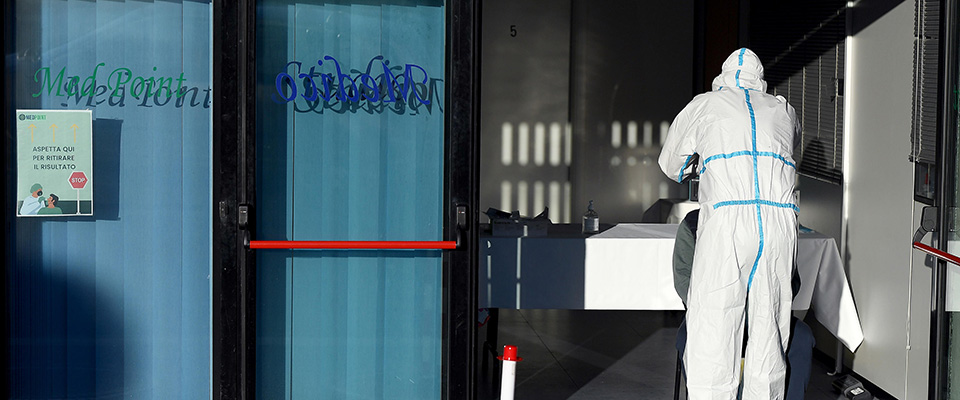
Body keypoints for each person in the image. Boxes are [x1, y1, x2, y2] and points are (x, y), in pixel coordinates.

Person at [659, 48, 800, 399]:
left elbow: (670, 164)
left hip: (728, 223)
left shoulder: (705, 105)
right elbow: (788, 150)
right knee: (770, 333)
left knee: (714, 327)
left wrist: (700, 165)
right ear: (759, 76)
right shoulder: (783, 109)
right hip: (779, 224)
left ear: (723, 76)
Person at [673, 210, 815, 400]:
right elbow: (684, 277)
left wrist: (762, 304)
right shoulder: (695, 222)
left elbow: (791, 280)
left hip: (766, 315)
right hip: (711, 316)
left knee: (801, 338)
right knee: (687, 338)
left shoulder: (775, 218)